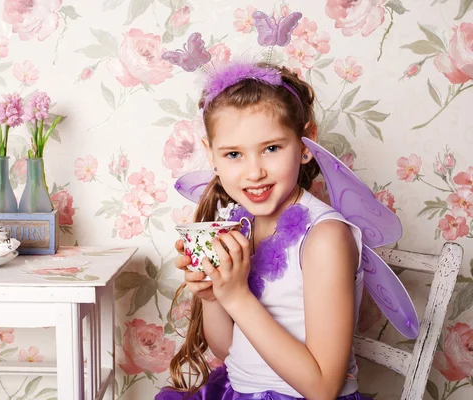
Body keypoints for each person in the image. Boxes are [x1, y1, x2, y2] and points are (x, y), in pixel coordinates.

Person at [156, 62, 370, 400]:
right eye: (234, 154)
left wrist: (238, 297)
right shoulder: (241, 223)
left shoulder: (324, 238)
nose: (254, 172)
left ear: (305, 143)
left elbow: (324, 388)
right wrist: (215, 296)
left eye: (271, 148)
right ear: (211, 154)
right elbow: (229, 350)